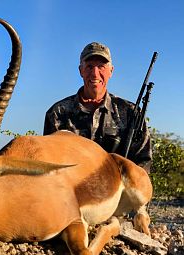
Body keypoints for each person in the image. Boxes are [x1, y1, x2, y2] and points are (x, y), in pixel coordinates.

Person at [43, 42, 152, 173]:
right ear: (80, 71)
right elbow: (50, 163)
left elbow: (143, 163)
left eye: (101, 66)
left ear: (111, 71)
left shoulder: (130, 112)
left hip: (118, 191)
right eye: (89, 66)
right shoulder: (57, 113)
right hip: (71, 190)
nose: (95, 74)